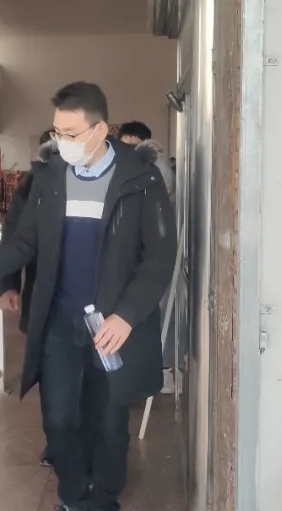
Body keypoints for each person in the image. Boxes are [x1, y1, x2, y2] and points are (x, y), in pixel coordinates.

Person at [0, 82, 177, 511]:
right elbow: (24, 242)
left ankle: (103, 500)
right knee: (59, 419)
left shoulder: (140, 179)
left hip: (112, 328)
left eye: (71, 133)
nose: (62, 142)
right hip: (58, 321)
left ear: (100, 129)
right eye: (57, 132)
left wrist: (127, 315)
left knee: (108, 421)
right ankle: (73, 497)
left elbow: (160, 257)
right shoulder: (51, 177)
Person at [0, 129, 56, 467]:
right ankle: (56, 440)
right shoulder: (32, 185)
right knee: (51, 373)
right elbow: (12, 238)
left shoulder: (102, 182)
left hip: (93, 303)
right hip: (43, 296)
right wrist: (8, 284)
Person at [117, 120, 179, 395]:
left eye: (133, 145)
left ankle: (161, 371)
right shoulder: (124, 169)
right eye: (124, 144)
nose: (128, 150)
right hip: (130, 254)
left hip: (150, 254)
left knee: (150, 311)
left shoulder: (156, 172)